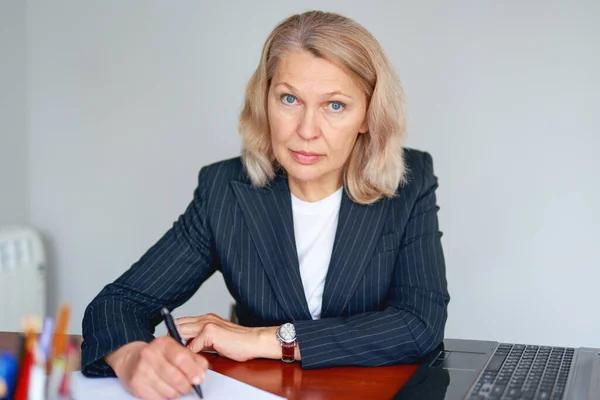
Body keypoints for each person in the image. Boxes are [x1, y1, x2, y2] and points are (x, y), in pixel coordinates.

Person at [81, 9, 450, 400]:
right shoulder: (225, 189)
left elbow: (418, 324)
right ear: (266, 100)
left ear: (367, 115)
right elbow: (118, 303)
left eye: (335, 105)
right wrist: (133, 356)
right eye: (289, 99)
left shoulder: (409, 183)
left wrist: (266, 339)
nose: (307, 131)